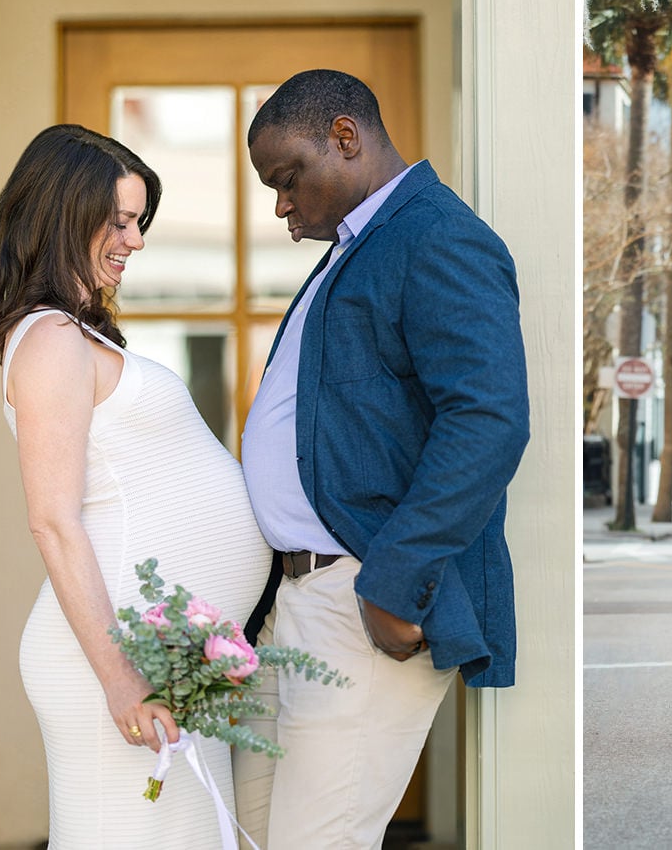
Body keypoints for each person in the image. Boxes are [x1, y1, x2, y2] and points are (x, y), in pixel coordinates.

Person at [235, 70, 529, 847]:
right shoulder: (357, 246)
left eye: (287, 179)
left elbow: (490, 419)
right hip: (289, 607)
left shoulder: (437, 235)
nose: (281, 206)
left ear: (344, 137)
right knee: (253, 838)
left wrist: (396, 580)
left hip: (360, 602)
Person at [0, 124, 271, 846]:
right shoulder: (50, 341)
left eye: (139, 221)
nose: (136, 240)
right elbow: (53, 520)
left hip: (157, 663)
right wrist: (119, 676)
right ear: (61, 216)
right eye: (118, 221)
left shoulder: (76, 336)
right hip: (111, 669)